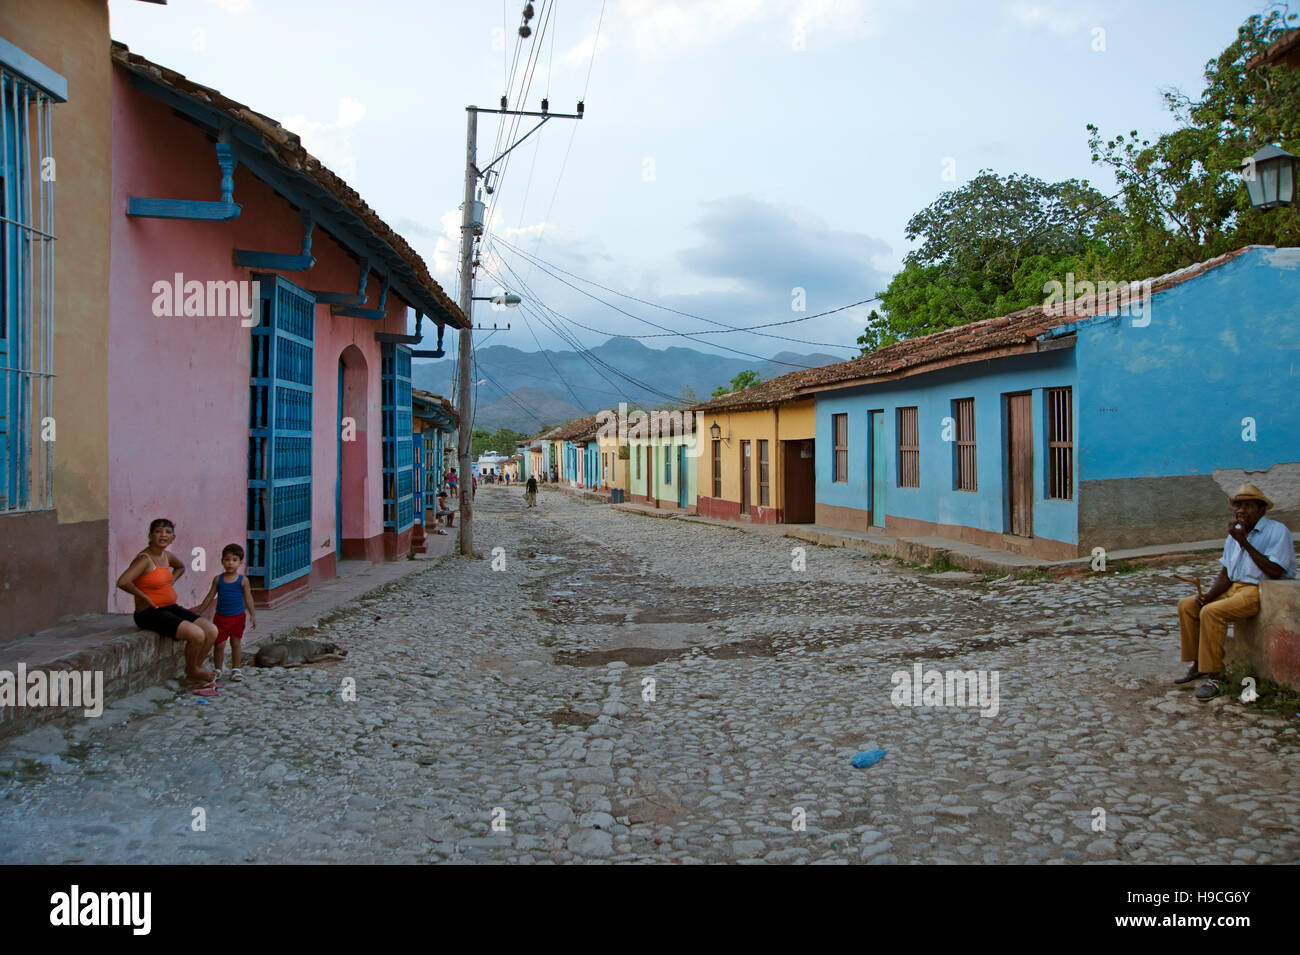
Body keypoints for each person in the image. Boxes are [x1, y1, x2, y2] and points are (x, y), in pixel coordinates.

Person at [1175, 484, 1296, 701]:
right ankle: (1199, 664)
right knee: (1189, 605)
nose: (1240, 511)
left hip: (1257, 589)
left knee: (1212, 613)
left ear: (1261, 509)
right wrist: (1208, 595)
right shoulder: (1235, 534)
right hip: (1235, 587)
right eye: (1237, 506)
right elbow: (1226, 572)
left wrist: (1245, 543)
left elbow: (1276, 571)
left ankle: (1216, 677)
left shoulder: (1277, 531)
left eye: (1247, 506)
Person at [116, 518, 220, 693]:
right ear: (150, 536)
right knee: (197, 635)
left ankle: (192, 671)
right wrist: (145, 597)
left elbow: (180, 567)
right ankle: (193, 670)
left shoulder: (166, 556)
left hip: (170, 607)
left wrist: (169, 584)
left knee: (211, 631)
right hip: (149, 612)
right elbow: (123, 581)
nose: (163, 535)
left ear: (173, 537)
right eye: (158, 531)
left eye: (167, 532)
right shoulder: (145, 559)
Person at [195, 543, 256, 682]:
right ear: (222, 561)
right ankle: (218, 669)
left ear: (240, 562)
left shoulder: (243, 580)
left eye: (234, 560)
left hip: (238, 617)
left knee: (236, 643)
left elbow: (248, 598)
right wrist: (200, 611)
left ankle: (236, 669)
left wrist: (252, 614)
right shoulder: (218, 579)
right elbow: (210, 595)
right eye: (227, 559)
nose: (230, 563)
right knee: (219, 644)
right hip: (221, 618)